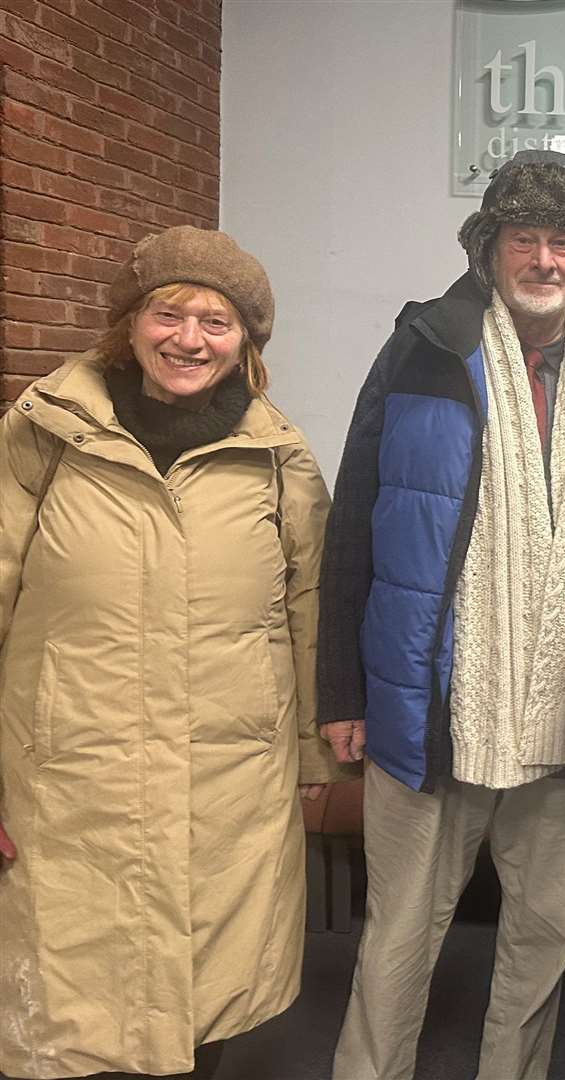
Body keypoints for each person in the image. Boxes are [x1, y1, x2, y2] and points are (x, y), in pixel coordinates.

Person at [318, 150, 565, 1080]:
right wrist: (341, 689)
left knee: (544, 939)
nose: (547, 260)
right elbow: (354, 515)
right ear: (489, 248)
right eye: (527, 238)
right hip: (430, 706)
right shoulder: (425, 348)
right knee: (396, 935)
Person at [0, 225, 351, 1079]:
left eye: (216, 322)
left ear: (246, 344)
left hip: (228, 781)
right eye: (169, 314)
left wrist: (311, 746)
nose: (189, 340)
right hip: (75, 776)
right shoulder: (48, 433)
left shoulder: (277, 456)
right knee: (76, 1014)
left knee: (207, 1002)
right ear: (129, 323)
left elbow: (310, 609)